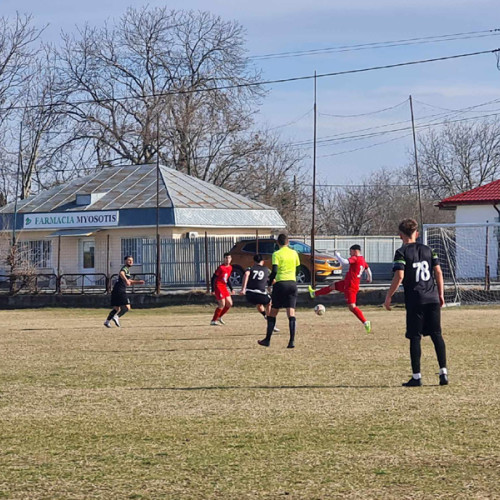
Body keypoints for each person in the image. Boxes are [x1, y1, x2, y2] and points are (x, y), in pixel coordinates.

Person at [384, 218, 448, 387]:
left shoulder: (401, 252)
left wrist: (389, 296)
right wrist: (440, 294)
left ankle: (417, 376)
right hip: (433, 297)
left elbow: (399, 276)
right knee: (436, 335)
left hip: (415, 299)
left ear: (400, 235)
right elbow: (439, 272)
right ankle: (443, 373)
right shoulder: (430, 250)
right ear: (417, 234)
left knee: (415, 337)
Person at [308, 244, 372, 333]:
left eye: (351, 252)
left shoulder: (356, 258)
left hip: (350, 286)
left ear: (355, 251)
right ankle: (314, 293)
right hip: (347, 283)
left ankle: (365, 322)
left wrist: (337, 255)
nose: (350, 254)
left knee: (352, 307)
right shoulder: (362, 259)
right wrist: (369, 277)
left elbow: (345, 262)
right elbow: (367, 268)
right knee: (332, 286)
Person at [257, 233, 300, 348]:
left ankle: (267, 340)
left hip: (281, 284)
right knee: (291, 313)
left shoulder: (276, 254)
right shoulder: (294, 253)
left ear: (278, 243)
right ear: (288, 242)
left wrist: (270, 282)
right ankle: (291, 341)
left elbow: (275, 270)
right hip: (292, 283)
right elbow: (298, 267)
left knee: (273, 312)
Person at [240, 254, 279, 332]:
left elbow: (246, 274)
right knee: (269, 302)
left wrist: (243, 289)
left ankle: (264, 315)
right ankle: (270, 322)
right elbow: (273, 280)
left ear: (254, 261)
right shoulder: (266, 269)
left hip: (249, 294)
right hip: (260, 293)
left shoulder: (250, 268)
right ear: (263, 261)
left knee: (259, 303)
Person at [104, 255, 145, 328]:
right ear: (125, 261)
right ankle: (117, 317)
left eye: (132, 260)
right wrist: (126, 280)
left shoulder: (127, 270)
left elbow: (129, 281)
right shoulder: (124, 268)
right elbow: (121, 273)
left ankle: (107, 322)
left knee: (116, 308)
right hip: (120, 290)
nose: (131, 262)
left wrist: (138, 282)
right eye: (129, 260)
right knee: (127, 307)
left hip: (116, 290)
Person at [210, 252, 234, 326]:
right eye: (226, 258)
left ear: (231, 259)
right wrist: (213, 289)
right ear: (224, 259)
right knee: (222, 304)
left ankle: (219, 317)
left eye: (229, 258)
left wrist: (231, 288)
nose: (228, 260)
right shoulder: (221, 268)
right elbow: (213, 278)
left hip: (224, 286)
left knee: (230, 303)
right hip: (218, 286)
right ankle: (213, 320)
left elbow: (228, 278)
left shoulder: (230, 267)